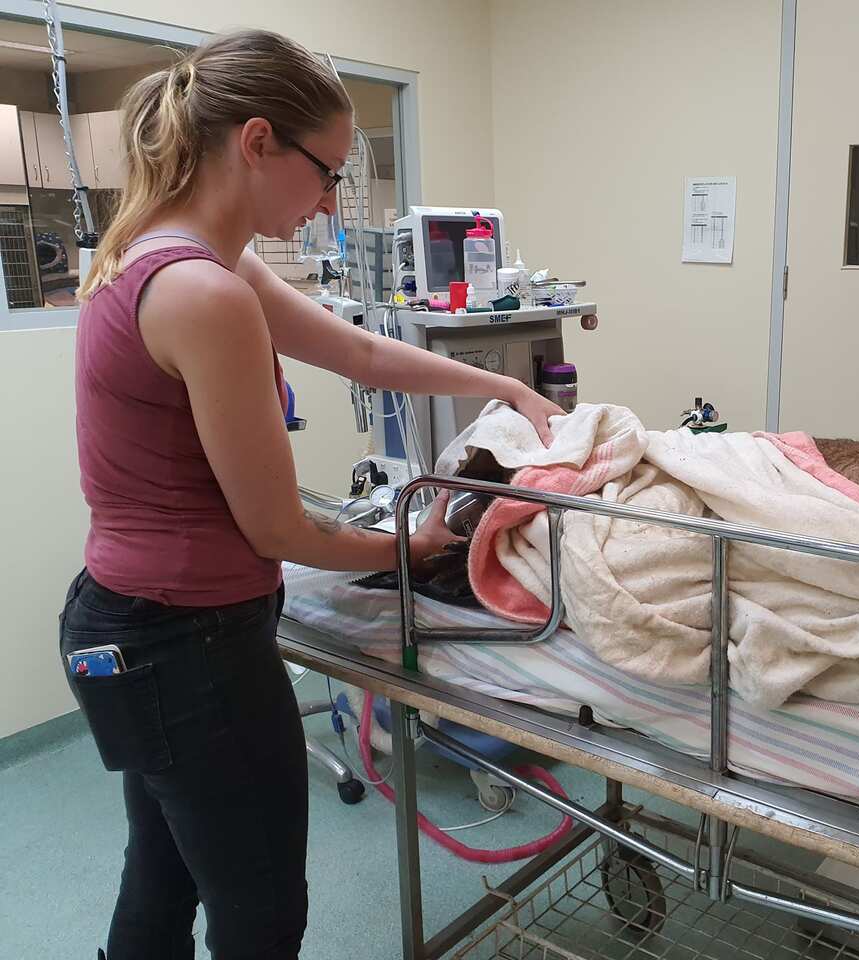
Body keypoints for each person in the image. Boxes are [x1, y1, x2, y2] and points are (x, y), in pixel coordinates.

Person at [60, 29, 561, 960]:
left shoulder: (160, 249)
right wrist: (414, 548)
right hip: (188, 646)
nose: (330, 202)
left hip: (121, 626)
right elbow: (277, 525)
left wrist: (500, 387)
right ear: (256, 141)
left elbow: (361, 352)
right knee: (259, 914)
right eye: (325, 172)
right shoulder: (202, 293)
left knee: (160, 876)